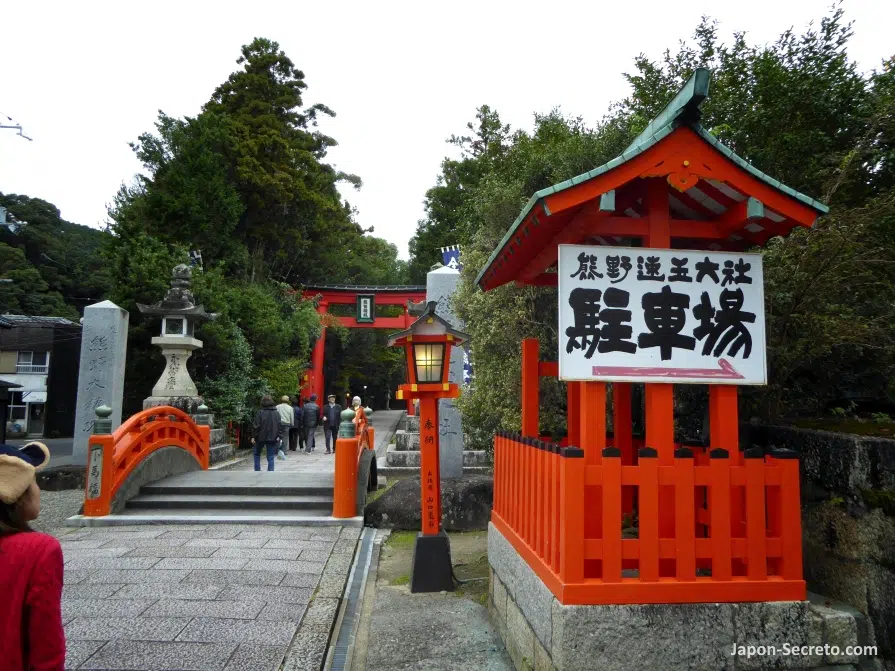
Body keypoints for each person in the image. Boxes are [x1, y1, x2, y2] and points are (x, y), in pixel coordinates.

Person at [0, 441, 66, 670]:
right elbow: (46, 646)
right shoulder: (38, 550)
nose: (38, 490)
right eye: (34, 482)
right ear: (16, 494)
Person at [251, 396, 280, 471]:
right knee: (270, 456)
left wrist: (253, 436)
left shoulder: (260, 412)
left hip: (260, 437)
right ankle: (270, 472)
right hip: (273, 437)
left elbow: (256, 426)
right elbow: (280, 425)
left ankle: (257, 470)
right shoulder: (276, 413)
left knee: (257, 454)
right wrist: (279, 436)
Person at [275, 395, 293, 460]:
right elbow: (291, 417)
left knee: (278, 437)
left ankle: (277, 450)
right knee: (285, 437)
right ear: (288, 400)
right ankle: (283, 451)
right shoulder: (290, 408)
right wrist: (292, 424)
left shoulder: (277, 407)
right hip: (286, 423)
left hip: (278, 423)